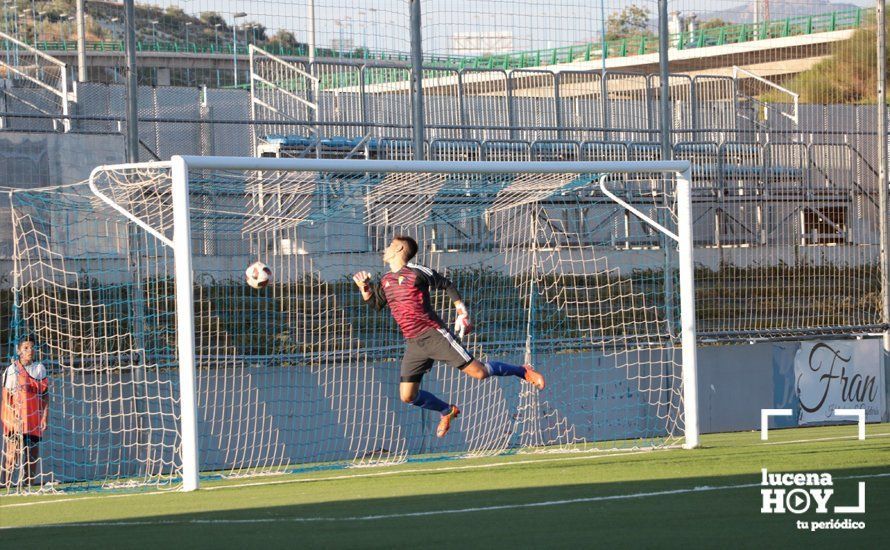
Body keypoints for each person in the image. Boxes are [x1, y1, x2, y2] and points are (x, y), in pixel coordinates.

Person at [353, 235, 545, 438]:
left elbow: (447, 284)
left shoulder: (417, 272)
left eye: (390, 245)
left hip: (434, 335)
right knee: (407, 396)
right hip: (414, 342)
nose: (386, 248)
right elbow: (375, 304)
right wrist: (364, 288)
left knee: (479, 373)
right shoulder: (385, 280)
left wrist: (462, 312)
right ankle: (447, 410)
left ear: (400, 249)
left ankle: (522, 371)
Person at [1, 338, 49, 488]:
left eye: (32, 347)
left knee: (32, 453)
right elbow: (6, 396)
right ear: (19, 351)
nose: (30, 350)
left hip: (33, 417)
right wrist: (13, 416)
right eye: (26, 348)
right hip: (14, 417)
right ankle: (4, 484)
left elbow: (45, 395)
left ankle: (29, 484)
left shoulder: (39, 369)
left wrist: (44, 416)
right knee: (12, 452)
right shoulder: (12, 370)